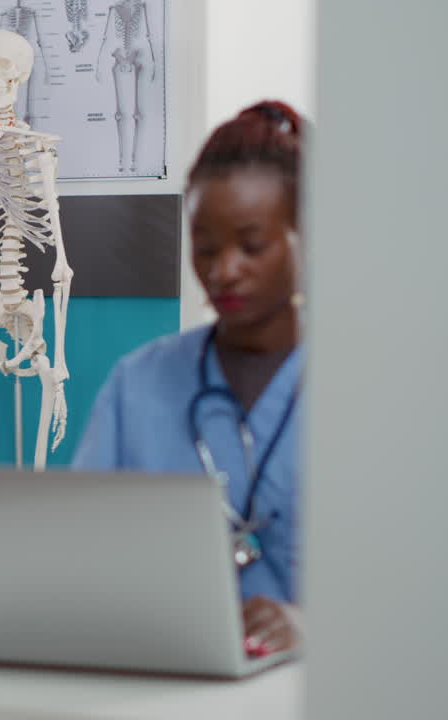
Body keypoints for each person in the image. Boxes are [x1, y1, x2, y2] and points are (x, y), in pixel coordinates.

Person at [72, 100, 306, 656]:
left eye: (252, 246)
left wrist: (319, 630)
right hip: (167, 675)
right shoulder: (141, 383)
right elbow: (83, 556)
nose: (224, 270)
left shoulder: (371, 388)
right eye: (205, 248)